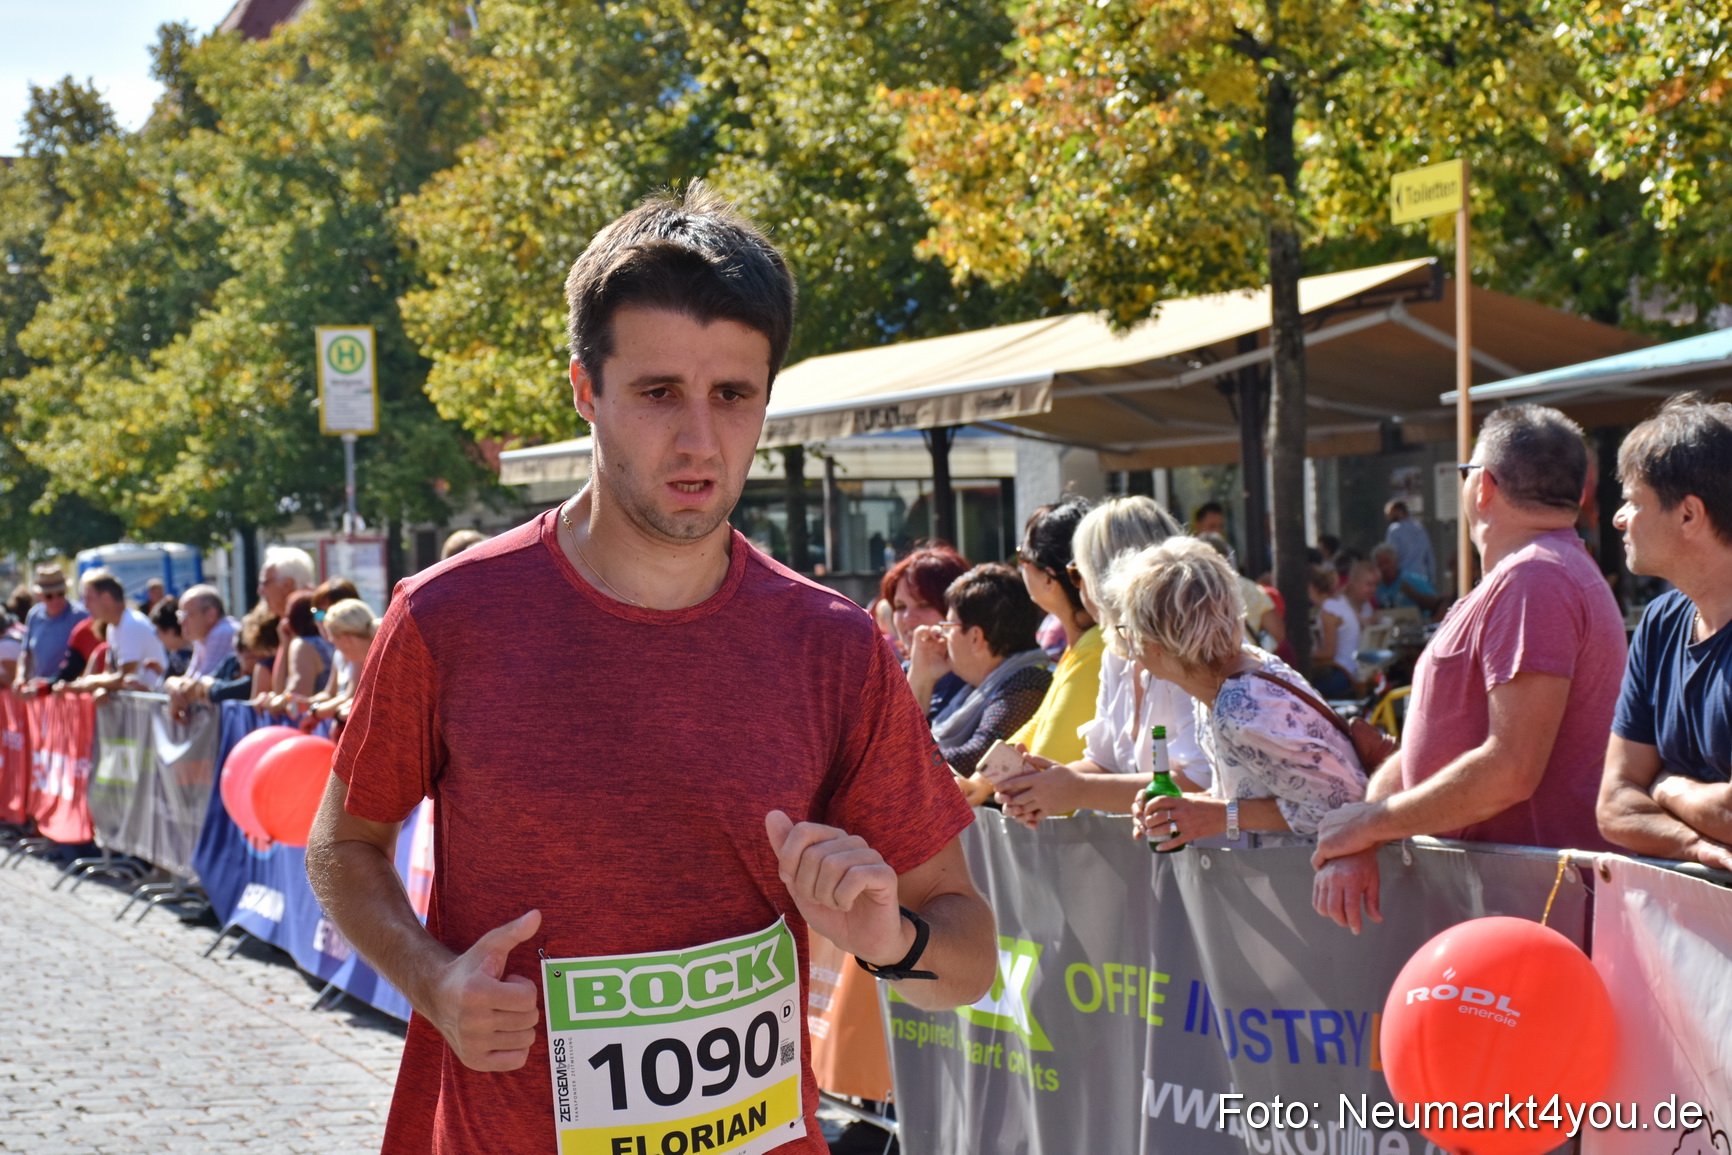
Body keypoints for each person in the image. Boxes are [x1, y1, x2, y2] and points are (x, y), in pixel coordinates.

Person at [304, 184, 995, 1155]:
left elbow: (968, 953)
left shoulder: (829, 644)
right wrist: (433, 982)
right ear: (585, 391)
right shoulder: (448, 616)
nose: (699, 440)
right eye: (658, 392)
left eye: (733, 395)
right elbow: (342, 845)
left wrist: (890, 941)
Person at [1312, 405, 1627, 933]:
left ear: (1483, 486)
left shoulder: (1536, 579)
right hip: (1504, 908)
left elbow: (1511, 769)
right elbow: (1430, 748)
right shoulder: (1530, 574)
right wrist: (1365, 830)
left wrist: (1371, 824)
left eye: (1465, 472)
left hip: (1531, 914)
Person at [1110, 538, 1367, 849]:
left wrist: (1222, 815)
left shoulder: (1241, 709)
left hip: (1311, 875)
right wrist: (1186, 809)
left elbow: (1345, 805)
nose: (1127, 643)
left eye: (1128, 629)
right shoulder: (1231, 677)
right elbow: (1258, 792)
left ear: (1156, 645)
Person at [995, 496, 1206, 827]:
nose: (1078, 587)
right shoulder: (1117, 650)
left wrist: (1077, 789)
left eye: (1077, 573)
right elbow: (1104, 762)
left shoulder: (1194, 647)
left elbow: (1199, 783)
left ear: (1114, 576)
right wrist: (1044, 787)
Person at [1596, 397, 1732, 869]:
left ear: (1689, 515)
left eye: (1634, 501)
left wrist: (1666, 786)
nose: (1619, 518)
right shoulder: (1660, 622)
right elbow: (1614, 805)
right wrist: (1694, 845)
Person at [922, 563, 1052, 787]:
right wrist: (921, 678)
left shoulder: (1028, 682)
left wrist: (901, 761)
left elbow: (978, 755)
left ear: (975, 637)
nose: (942, 637)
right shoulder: (974, 687)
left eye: (948, 627)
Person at [1005, 498, 1100, 765]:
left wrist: (989, 777)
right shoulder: (1083, 642)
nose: (1020, 566)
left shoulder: (1094, 646)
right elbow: (1039, 723)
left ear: (1048, 579)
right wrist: (982, 779)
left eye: (1022, 555)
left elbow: (1047, 759)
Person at [887, 543, 972, 717]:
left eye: (924, 605)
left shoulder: (978, 681)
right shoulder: (891, 678)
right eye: (900, 606)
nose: (908, 617)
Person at [69, 568, 168, 692]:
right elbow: (110, 674)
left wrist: (93, 682)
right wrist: (101, 689)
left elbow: (125, 678)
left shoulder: (130, 624)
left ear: (106, 598)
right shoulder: (113, 626)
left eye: (89, 598)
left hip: (154, 702)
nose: (85, 605)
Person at [300, 598, 378, 729]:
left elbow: (363, 704)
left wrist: (325, 713)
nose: (335, 648)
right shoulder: (365, 658)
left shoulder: (380, 657)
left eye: (334, 641)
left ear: (346, 639)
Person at [1198, 532, 1284, 649]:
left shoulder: (1193, 592)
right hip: (1246, 656)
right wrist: (1257, 651)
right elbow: (1277, 632)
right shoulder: (1251, 589)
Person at [14, 565, 88, 691]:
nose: (56, 599)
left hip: (69, 693)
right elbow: (26, 652)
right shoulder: (34, 615)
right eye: (49, 596)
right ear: (39, 595)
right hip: (40, 692)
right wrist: (21, 677)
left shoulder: (80, 616)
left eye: (60, 593)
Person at [262, 590, 334, 715]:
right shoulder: (331, 642)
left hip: (312, 721)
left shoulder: (303, 646)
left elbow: (295, 696)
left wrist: (284, 644)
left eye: (287, 615)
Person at [257, 545, 315, 695]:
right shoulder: (282, 625)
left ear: (287, 584)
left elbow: (289, 695)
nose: (260, 591)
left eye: (265, 583)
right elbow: (280, 691)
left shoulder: (318, 618)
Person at [1307, 565, 1359, 699]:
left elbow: (1328, 653)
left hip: (1342, 675)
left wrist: (1304, 655)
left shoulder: (1328, 611)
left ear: (1311, 588)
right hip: (1352, 669)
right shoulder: (1341, 602)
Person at [173, 585, 239, 680]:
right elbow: (189, 679)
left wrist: (174, 682)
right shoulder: (202, 638)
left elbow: (201, 683)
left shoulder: (223, 631)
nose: (181, 622)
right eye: (180, 615)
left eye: (187, 615)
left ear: (211, 614)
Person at [1371, 543, 1442, 616]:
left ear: (1396, 561)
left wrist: (1414, 594)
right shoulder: (1375, 587)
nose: (1384, 567)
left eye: (1387, 562)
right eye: (1380, 564)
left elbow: (1437, 604)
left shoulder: (1413, 580)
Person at [1384, 500, 1435, 585]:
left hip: (1402, 581)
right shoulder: (1420, 528)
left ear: (1399, 512)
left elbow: (1390, 556)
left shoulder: (1394, 530)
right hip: (1421, 578)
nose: (1389, 517)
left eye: (1390, 514)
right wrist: (1430, 579)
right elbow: (1429, 556)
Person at [150, 597, 193, 679]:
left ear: (171, 631)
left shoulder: (187, 655)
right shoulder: (177, 653)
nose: (158, 638)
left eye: (158, 632)